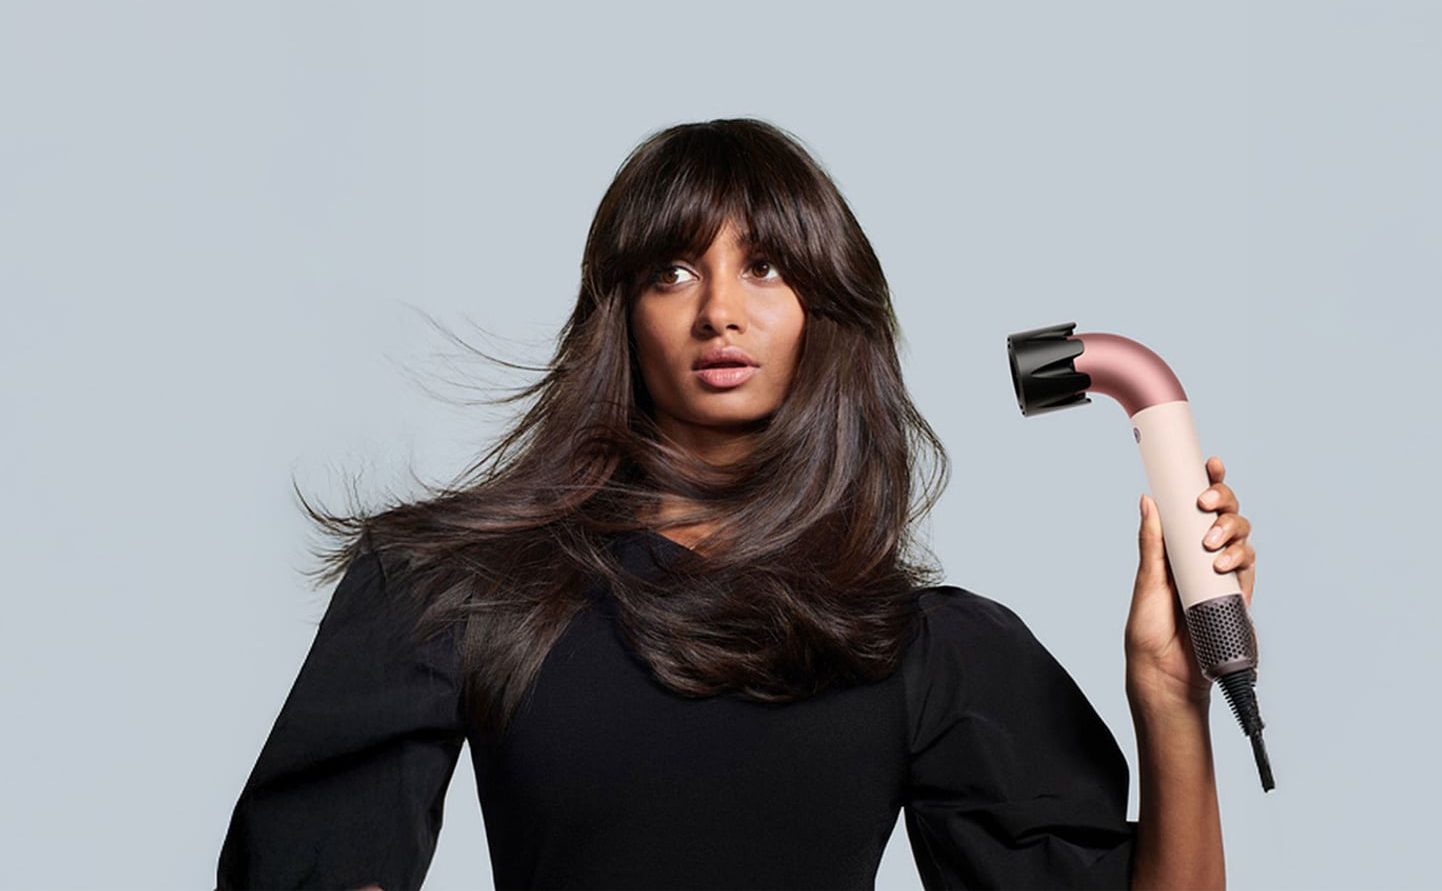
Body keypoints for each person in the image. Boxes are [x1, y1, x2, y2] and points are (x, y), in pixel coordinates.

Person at [216, 118, 1258, 891]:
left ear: (824, 308)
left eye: (764, 266)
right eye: (674, 271)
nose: (719, 310)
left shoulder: (924, 651)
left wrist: (1171, 697)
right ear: (620, 316)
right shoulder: (450, 591)